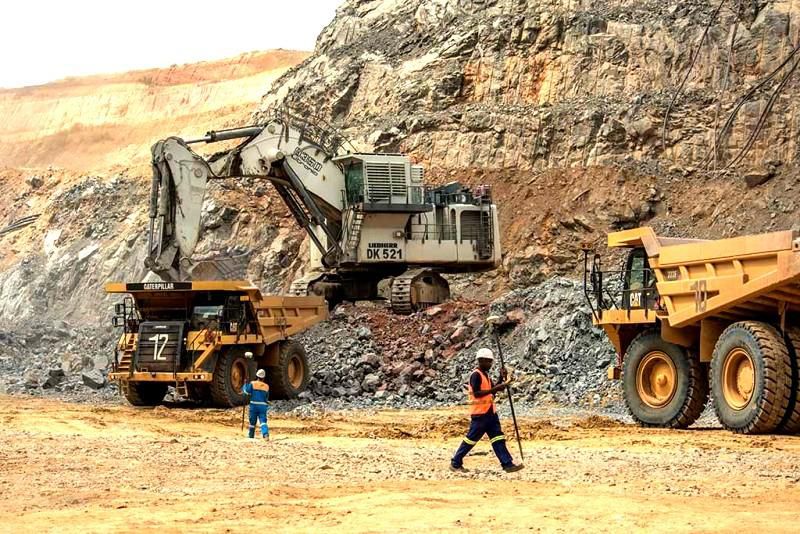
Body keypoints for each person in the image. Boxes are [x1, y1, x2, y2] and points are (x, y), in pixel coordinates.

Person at [450, 348, 524, 473]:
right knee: (471, 439)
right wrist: (498, 387)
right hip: (480, 414)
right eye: (489, 361)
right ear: (482, 361)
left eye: (491, 361)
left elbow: (493, 390)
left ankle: (507, 464)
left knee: (498, 437)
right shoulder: (476, 375)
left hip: (490, 413)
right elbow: (477, 393)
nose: (490, 364)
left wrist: (501, 379)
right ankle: (455, 462)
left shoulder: (486, 376)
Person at [242, 369, 270, 440]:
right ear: (264, 377)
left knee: (252, 422)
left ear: (257, 376)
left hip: (254, 405)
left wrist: (245, 384)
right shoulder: (266, 386)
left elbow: (246, 392)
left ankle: (251, 436)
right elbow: (266, 397)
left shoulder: (252, 384)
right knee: (263, 421)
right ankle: (265, 434)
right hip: (263, 406)